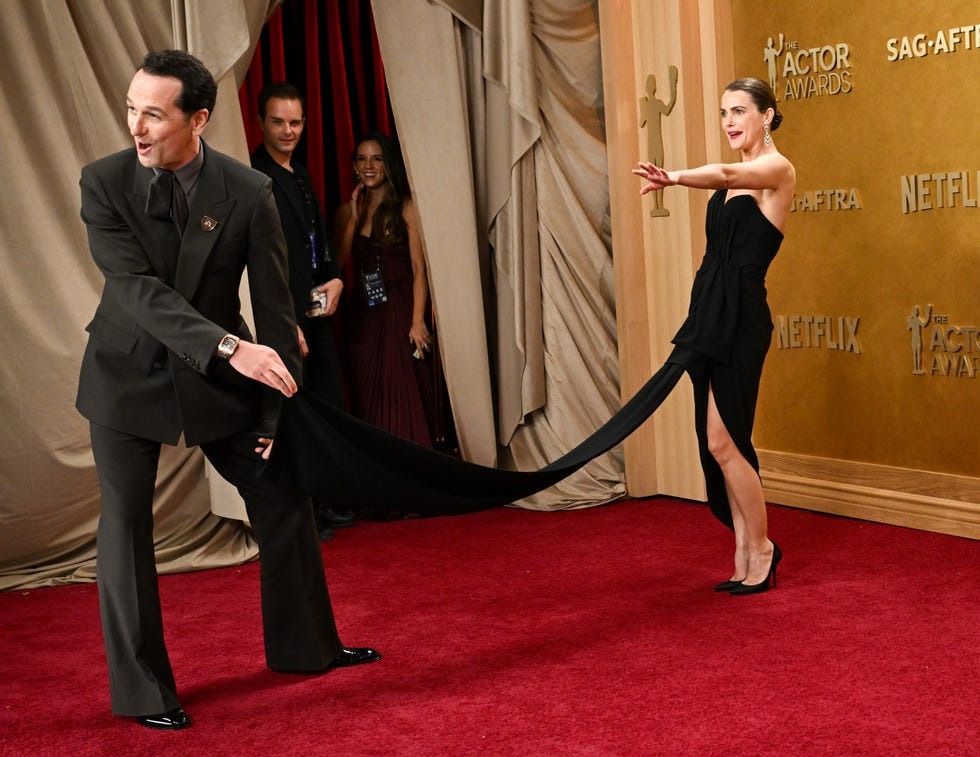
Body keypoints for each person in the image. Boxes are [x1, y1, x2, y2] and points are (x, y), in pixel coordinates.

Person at [76, 49, 379, 732]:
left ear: (199, 119)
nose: (136, 126)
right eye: (132, 108)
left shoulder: (248, 191)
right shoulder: (102, 183)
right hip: (127, 373)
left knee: (283, 491)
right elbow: (139, 292)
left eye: (153, 113)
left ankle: (307, 648)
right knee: (124, 526)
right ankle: (145, 691)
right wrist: (229, 345)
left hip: (221, 377)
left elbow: (277, 311)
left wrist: (276, 409)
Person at [633, 77, 796, 595]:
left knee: (728, 443)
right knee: (717, 442)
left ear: (766, 116)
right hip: (711, 312)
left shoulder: (777, 169)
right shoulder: (735, 176)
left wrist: (674, 177)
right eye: (724, 112)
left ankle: (762, 550)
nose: (729, 121)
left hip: (743, 318)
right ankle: (744, 550)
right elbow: (725, 179)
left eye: (740, 111)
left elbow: (727, 171)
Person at [250, 81, 356, 538]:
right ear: (261, 123)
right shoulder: (255, 178)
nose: (288, 130)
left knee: (327, 404)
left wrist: (335, 276)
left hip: (316, 316)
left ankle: (324, 501)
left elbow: (316, 243)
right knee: (291, 414)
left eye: (295, 122)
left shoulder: (301, 173)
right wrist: (284, 322)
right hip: (285, 323)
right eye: (279, 122)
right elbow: (260, 262)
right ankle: (302, 515)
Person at [333, 132, 440, 449]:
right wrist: (352, 222)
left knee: (402, 382)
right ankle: (377, 462)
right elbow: (338, 265)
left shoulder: (406, 207)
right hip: (364, 312)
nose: (369, 166)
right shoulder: (345, 211)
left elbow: (420, 269)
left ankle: (412, 458)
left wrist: (417, 320)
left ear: (388, 163)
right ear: (354, 165)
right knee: (368, 388)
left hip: (401, 305)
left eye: (377, 158)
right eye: (362, 159)